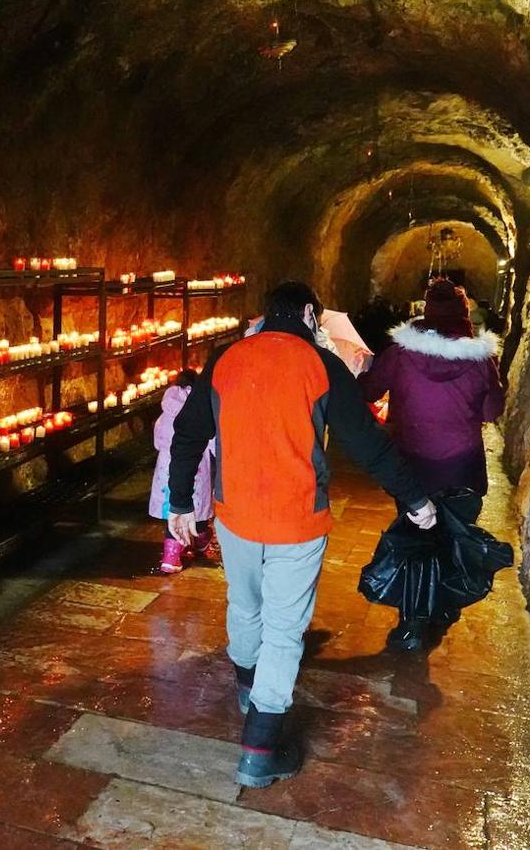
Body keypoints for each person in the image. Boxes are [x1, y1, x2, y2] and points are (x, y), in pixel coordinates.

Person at [167, 281, 436, 789]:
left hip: (236, 513)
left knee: (244, 604)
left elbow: (188, 432)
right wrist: (414, 498)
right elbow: (369, 445)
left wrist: (180, 501)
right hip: (297, 521)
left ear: (266, 315)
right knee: (285, 629)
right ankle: (261, 746)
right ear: (310, 314)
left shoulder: (226, 359)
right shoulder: (322, 365)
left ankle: (247, 684)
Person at [358, 279, 506, 650]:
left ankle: (412, 623)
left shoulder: (401, 353)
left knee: (416, 539)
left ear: (426, 311)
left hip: (412, 465)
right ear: (463, 315)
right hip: (461, 465)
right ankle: (440, 609)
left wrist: (366, 371)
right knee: (450, 539)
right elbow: (492, 410)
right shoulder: (480, 358)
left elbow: (368, 391)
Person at [149, 369, 214, 574]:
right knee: (197, 510)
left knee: (173, 509)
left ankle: (171, 556)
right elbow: (213, 442)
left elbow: (158, 441)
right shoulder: (199, 413)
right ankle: (201, 540)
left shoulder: (165, 414)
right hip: (196, 467)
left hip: (167, 468)